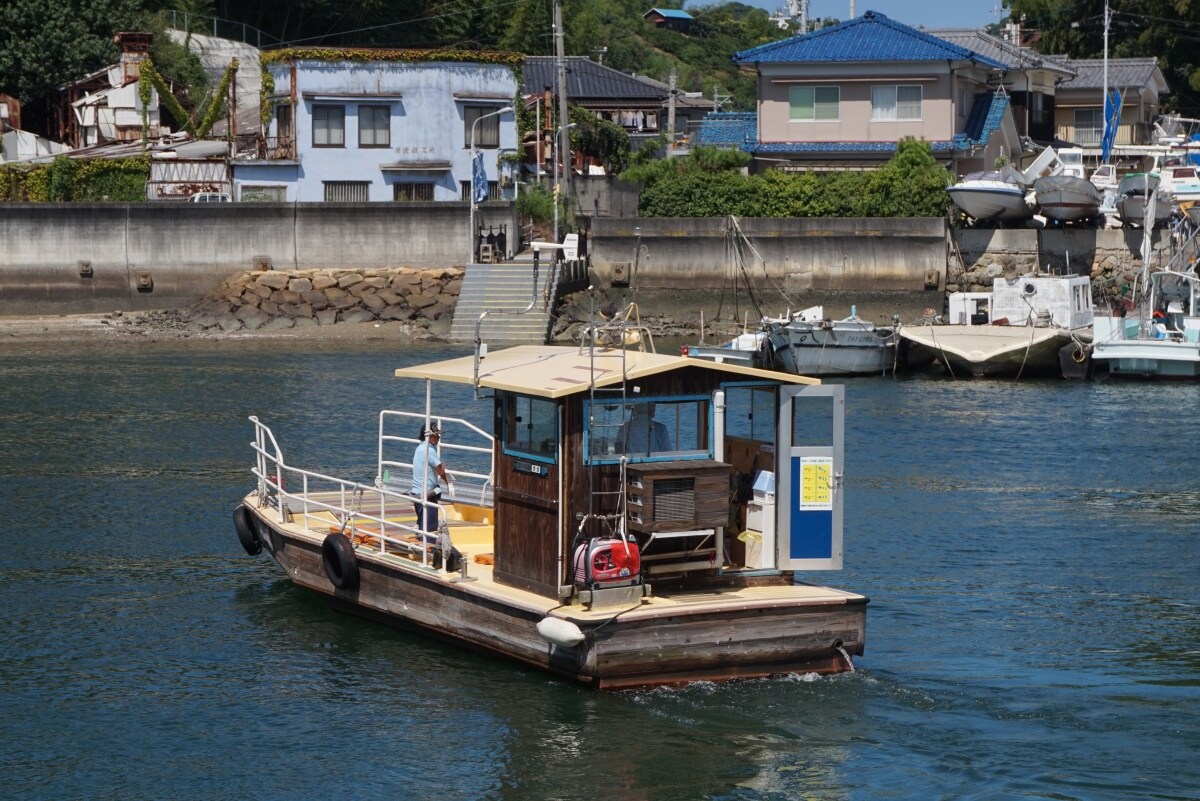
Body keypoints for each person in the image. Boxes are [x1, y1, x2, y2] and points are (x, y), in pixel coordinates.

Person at [411, 422, 449, 535]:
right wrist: (449, 483)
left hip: (417, 493)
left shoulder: (419, 448)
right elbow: (440, 471)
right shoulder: (429, 450)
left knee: (422, 525)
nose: (438, 438)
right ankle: (427, 549)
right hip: (427, 495)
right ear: (429, 436)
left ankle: (420, 545)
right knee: (430, 529)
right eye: (436, 435)